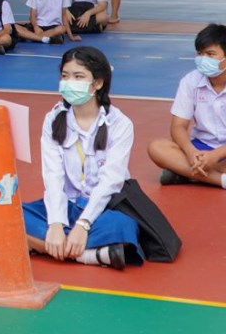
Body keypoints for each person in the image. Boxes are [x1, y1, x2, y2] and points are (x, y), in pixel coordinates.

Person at [24, 47, 141, 269]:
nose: (69, 83)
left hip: (103, 208)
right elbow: (53, 176)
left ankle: (46, 245)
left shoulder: (120, 124)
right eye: (65, 76)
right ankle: (90, 255)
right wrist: (56, 223)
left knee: (125, 226)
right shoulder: (53, 119)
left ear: (98, 83)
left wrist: (83, 225)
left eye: (78, 77)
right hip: (66, 205)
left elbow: (111, 182)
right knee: (6, 217)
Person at [148, 24, 226, 193]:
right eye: (200, 54)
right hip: (200, 147)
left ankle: (186, 174)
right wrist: (191, 152)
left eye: (210, 54)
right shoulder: (190, 81)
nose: (202, 59)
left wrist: (216, 156)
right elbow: (178, 126)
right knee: (156, 147)